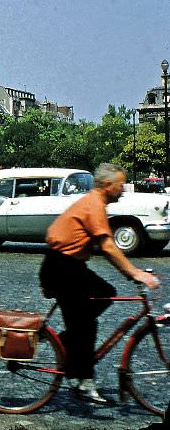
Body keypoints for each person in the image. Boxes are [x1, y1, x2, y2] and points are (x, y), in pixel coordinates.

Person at [39, 163, 160, 404]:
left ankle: (68, 343)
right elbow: (107, 246)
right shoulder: (94, 204)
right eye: (120, 185)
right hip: (62, 268)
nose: (123, 189)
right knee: (86, 325)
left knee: (105, 293)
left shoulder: (95, 202)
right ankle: (84, 380)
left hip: (67, 265)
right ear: (107, 186)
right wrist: (134, 272)